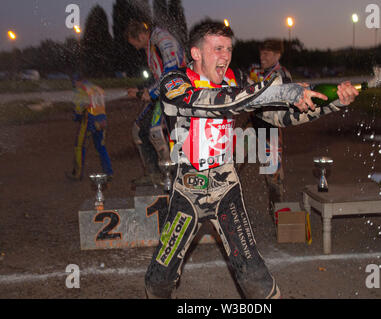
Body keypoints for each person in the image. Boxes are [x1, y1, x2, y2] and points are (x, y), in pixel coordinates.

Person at [144, 19, 359, 299]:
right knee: (159, 281)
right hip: (188, 191)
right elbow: (216, 102)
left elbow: (277, 116)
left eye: (229, 49)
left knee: (255, 278)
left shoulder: (235, 81)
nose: (225, 56)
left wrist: (331, 102)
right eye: (217, 49)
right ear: (195, 53)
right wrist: (280, 91)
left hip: (225, 188)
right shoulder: (175, 82)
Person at [126, 20, 186, 187]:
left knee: (155, 131)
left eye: (136, 43)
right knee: (138, 131)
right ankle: (153, 174)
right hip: (164, 95)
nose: (137, 48)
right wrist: (140, 90)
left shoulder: (162, 39)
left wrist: (150, 92)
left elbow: (172, 72)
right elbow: (157, 77)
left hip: (177, 95)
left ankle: (171, 176)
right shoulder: (153, 43)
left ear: (142, 35)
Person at [247, 39, 292, 203]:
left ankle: (279, 213)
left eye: (266, 54)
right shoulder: (258, 72)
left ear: (277, 55)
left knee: (273, 175)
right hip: (256, 128)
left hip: (271, 131)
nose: (262, 57)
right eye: (261, 53)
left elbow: (284, 103)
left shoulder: (282, 74)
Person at [66, 75, 113, 181]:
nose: (74, 85)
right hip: (102, 120)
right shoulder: (98, 89)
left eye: (74, 82)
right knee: (101, 147)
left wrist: (75, 116)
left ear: (78, 81)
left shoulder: (81, 91)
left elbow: (78, 110)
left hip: (89, 120)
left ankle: (77, 174)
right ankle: (109, 172)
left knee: (79, 146)